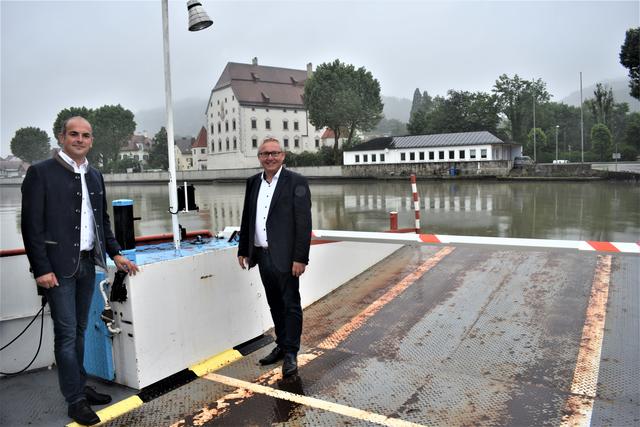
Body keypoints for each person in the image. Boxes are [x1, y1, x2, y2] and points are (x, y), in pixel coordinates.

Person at [21, 116, 139, 425]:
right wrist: (41, 269)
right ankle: (75, 399)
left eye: (85, 135)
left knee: (81, 330)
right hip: (57, 269)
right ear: (61, 137)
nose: (80, 139)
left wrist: (116, 254)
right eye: (73, 134)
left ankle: (79, 386)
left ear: (91, 140)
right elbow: (31, 227)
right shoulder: (40, 173)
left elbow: (102, 222)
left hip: (88, 263)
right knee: (66, 333)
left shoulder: (95, 175)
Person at [237, 138, 312, 378]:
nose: (269, 158)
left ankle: (291, 353)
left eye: (274, 153)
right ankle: (281, 343)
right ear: (259, 157)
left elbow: (303, 224)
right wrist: (243, 249)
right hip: (262, 255)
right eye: (264, 154)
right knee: (274, 303)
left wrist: (300, 258)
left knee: (290, 305)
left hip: (287, 258)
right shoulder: (253, 183)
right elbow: (247, 217)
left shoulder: (296, 182)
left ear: (283, 156)